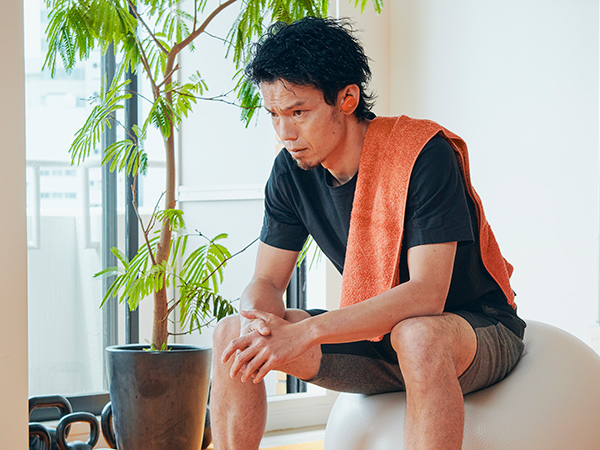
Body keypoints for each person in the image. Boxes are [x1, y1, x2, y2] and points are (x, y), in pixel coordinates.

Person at [211, 16, 526, 449]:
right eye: (274, 115)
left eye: (299, 112)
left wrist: (306, 332)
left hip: (473, 332)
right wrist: (257, 322)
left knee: (417, 334)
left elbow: (427, 294)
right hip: (379, 343)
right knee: (232, 335)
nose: (285, 133)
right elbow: (266, 280)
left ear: (347, 98)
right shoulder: (291, 170)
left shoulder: (422, 155)